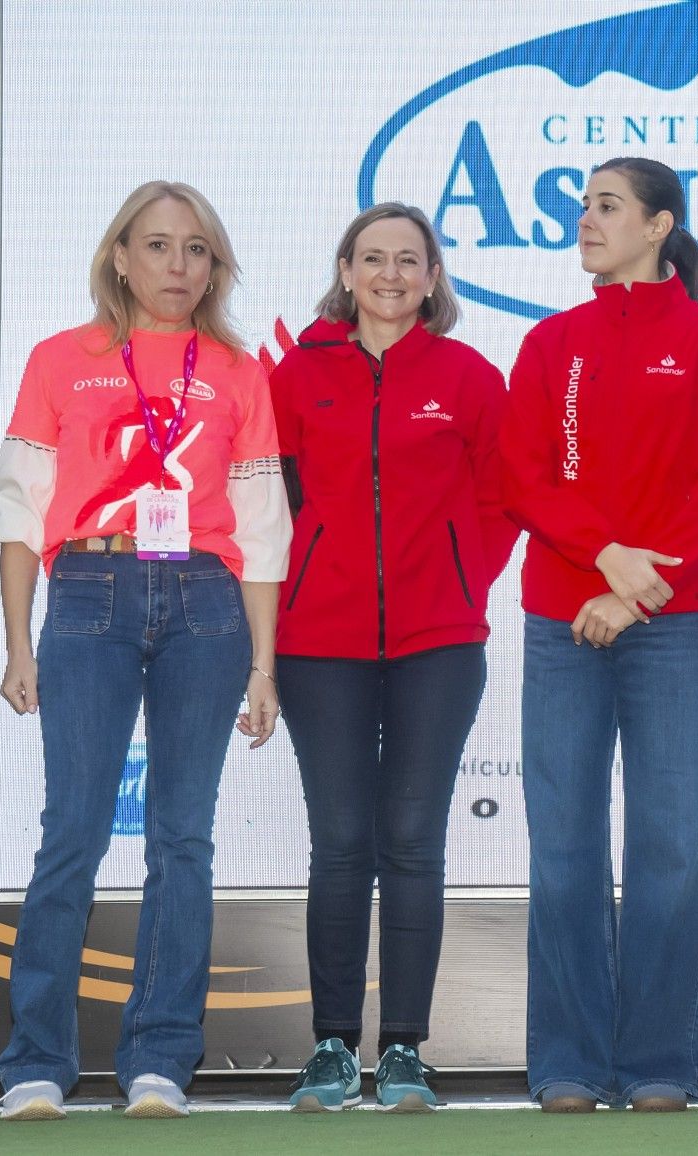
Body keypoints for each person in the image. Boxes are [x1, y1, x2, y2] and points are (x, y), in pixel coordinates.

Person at [0, 181, 290, 1121]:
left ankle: (159, 1060)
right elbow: (18, 514)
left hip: (206, 599)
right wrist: (17, 645)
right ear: (121, 256)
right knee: (71, 832)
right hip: (87, 593)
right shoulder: (58, 361)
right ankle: (37, 1062)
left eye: (196, 251)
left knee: (182, 839)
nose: (177, 268)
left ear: (215, 265)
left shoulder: (240, 370)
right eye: (158, 248)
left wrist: (264, 665)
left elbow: (263, 525)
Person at [501, 157, 698, 1113]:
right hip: (561, 613)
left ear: (659, 226)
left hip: (672, 620)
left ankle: (662, 1061)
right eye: (581, 207)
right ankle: (564, 1060)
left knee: (671, 844)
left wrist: (636, 587)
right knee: (562, 840)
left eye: (605, 207)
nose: (585, 221)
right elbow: (525, 477)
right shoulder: (549, 342)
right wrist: (604, 556)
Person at [270, 203, 516, 1113]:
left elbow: (501, 499)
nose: (390, 275)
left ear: (432, 276)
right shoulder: (298, 378)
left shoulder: (469, 376)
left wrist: (460, 583)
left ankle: (406, 1048)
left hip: (439, 647)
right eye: (372, 258)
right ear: (344, 270)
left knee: (413, 845)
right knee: (340, 845)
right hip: (317, 645)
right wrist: (301, 587)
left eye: (409, 260)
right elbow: (275, 505)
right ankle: (332, 1046)